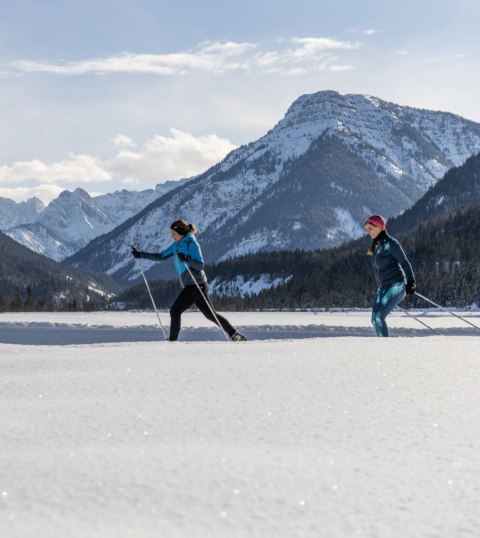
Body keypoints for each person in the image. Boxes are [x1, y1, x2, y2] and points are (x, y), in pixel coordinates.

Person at [131, 219, 247, 342]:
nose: (172, 236)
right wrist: (141, 255)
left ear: (180, 231)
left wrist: (187, 259)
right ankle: (235, 335)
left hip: (196, 284)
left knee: (175, 310)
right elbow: (161, 256)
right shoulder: (175, 246)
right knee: (211, 315)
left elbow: (200, 265)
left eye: (173, 233)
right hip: (191, 285)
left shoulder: (191, 243)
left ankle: (172, 342)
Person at [364, 215, 416, 337]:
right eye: (366, 229)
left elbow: (405, 263)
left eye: (370, 228)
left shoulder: (391, 244)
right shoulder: (375, 246)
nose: (368, 232)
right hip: (382, 288)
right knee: (374, 319)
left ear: (379, 227)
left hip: (396, 285)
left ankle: (385, 347)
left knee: (378, 317)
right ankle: (383, 345)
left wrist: (411, 282)